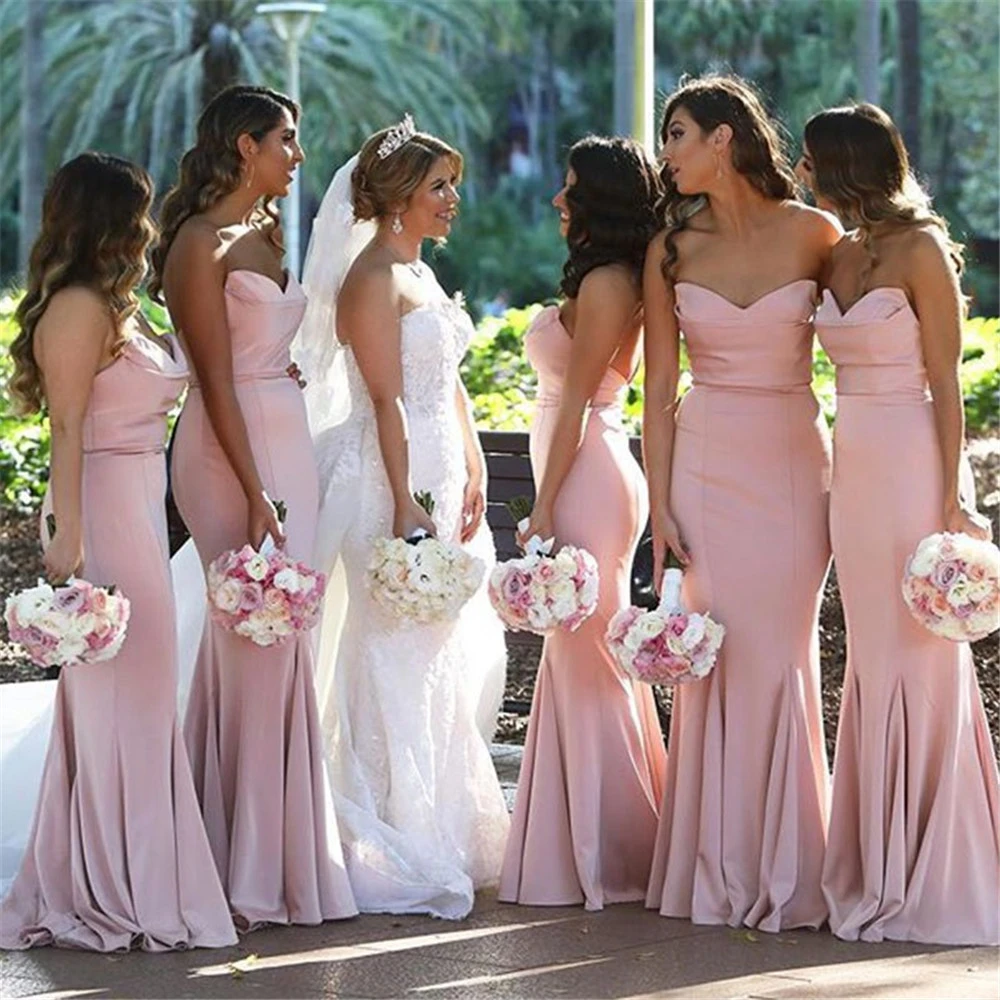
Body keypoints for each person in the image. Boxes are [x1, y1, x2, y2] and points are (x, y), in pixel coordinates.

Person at [1, 152, 236, 951]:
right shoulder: (74, 307)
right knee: (120, 704)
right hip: (98, 507)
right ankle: (111, 885)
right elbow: (65, 426)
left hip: (137, 504)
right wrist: (67, 536)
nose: (147, 223)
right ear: (105, 217)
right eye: (136, 209)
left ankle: (135, 877)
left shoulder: (121, 305)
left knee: (138, 702)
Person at [153, 84, 356, 930]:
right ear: (243, 145)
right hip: (225, 450)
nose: (297, 155)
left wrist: (283, 369)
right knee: (255, 635)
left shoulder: (264, 235)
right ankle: (247, 863)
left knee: (281, 638)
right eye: (286, 139)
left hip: (283, 438)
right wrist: (250, 489)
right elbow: (208, 375)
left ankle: (257, 845)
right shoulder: (197, 242)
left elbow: (256, 347)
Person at [296, 116, 509, 920]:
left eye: (451, 185)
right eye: (438, 188)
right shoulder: (372, 280)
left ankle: (443, 824)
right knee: (389, 652)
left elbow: (442, 382)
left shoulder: (417, 271)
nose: (453, 200)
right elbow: (383, 399)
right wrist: (406, 498)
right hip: (388, 478)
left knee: (434, 654)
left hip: (439, 468)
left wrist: (475, 454)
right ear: (396, 203)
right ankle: (388, 828)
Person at [642, 74, 842, 931]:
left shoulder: (818, 234)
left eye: (679, 133)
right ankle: (715, 869)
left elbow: (879, 335)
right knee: (714, 655)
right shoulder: (669, 249)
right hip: (705, 461)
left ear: (724, 137)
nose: (668, 154)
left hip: (795, 461)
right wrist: (660, 505)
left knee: (782, 651)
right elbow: (655, 391)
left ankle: (794, 867)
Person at [799, 102, 999, 946]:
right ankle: (876, 861)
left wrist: (954, 496)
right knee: (874, 655)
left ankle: (938, 862)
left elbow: (947, 382)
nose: (799, 174)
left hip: (914, 459)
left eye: (810, 160)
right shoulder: (833, 251)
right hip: (853, 472)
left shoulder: (921, 248)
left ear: (843, 165)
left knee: (923, 654)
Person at [498, 136, 667, 911]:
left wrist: (541, 504)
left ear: (598, 198)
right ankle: (587, 845)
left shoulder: (606, 281)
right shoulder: (599, 273)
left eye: (570, 189)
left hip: (588, 472)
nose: (559, 201)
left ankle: (613, 854)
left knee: (589, 656)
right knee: (583, 658)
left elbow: (573, 405)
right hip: (575, 466)